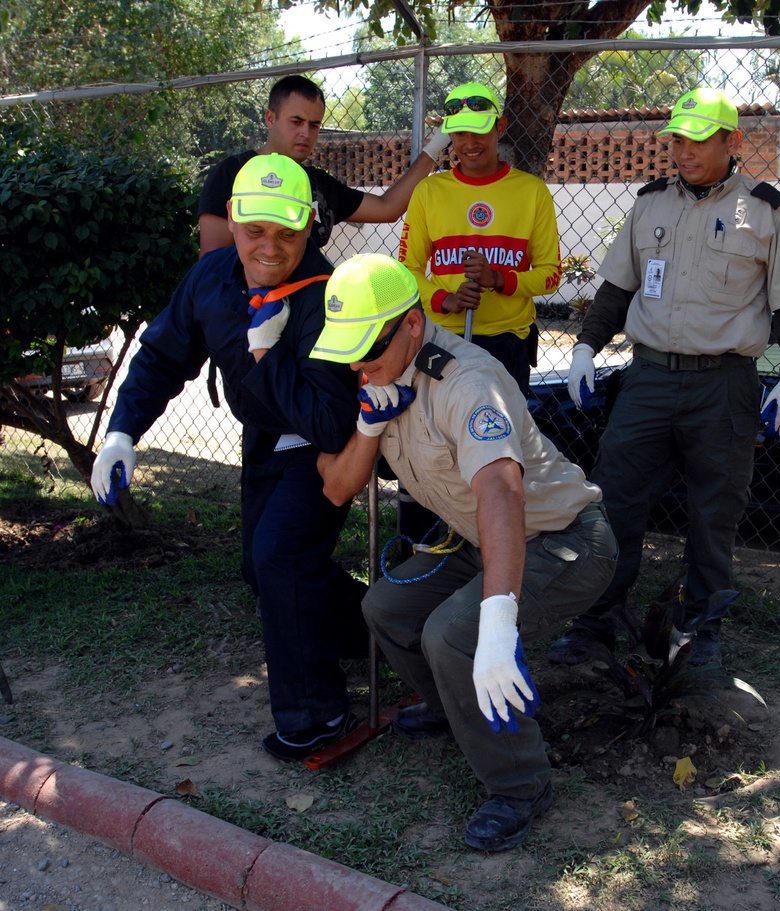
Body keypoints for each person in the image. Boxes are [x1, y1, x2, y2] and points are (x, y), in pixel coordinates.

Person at [310, 253, 617, 851]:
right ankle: (459, 709)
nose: (359, 368)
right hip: (484, 538)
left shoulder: (466, 382)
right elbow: (336, 486)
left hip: (565, 540)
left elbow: (502, 492)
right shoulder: (381, 379)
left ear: (414, 326)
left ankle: (521, 785)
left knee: (455, 633)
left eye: (369, 352)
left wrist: (498, 622)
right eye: (350, 352)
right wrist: (369, 429)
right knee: (385, 610)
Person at [91, 154, 366, 761]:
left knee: (282, 556)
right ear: (234, 222)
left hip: (321, 450)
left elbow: (327, 421)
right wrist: (122, 432)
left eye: (287, 233)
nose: (270, 247)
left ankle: (318, 715)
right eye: (255, 231)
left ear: (312, 226)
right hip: (263, 439)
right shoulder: (212, 278)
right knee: (258, 568)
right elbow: (163, 356)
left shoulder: (327, 295)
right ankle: (379, 632)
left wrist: (268, 356)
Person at [547, 86, 780, 669]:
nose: (684, 150)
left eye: (698, 139)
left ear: (732, 141)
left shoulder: (768, 210)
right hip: (646, 378)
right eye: (677, 138)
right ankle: (595, 622)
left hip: (723, 385)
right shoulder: (650, 205)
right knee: (613, 501)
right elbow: (617, 287)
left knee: (714, 513)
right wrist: (585, 347)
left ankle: (699, 631)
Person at [397, 81, 562, 397]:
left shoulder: (532, 192)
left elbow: (551, 274)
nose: (469, 143)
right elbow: (408, 272)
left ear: (500, 127)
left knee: (500, 436)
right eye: (459, 133)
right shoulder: (429, 192)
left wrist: (498, 279)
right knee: (443, 436)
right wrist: (447, 300)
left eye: (479, 131)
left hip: (508, 341)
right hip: (442, 337)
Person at [198, 75, 450, 256]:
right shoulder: (233, 174)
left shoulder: (317, 183)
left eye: (314, 124)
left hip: (309, 315)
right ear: (270, 118)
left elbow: (388, 208)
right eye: (296, 122)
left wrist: (436, 145)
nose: (305, 133)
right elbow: (211, 265)